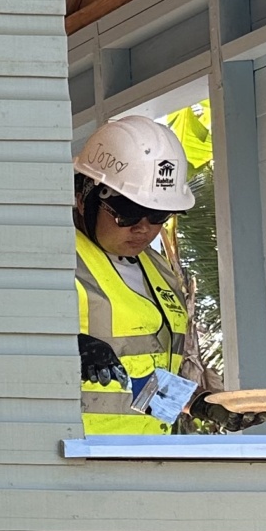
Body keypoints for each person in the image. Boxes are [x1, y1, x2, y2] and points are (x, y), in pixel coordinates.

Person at [71, 114, 204, 436]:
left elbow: (137, 380)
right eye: (127, 213)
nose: (143, 228)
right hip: (74, 456)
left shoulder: (157, 271)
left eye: (158, 214)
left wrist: (201, 406)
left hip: (143, 457)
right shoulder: (49, 262)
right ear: (83, 196)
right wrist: (65, 347)